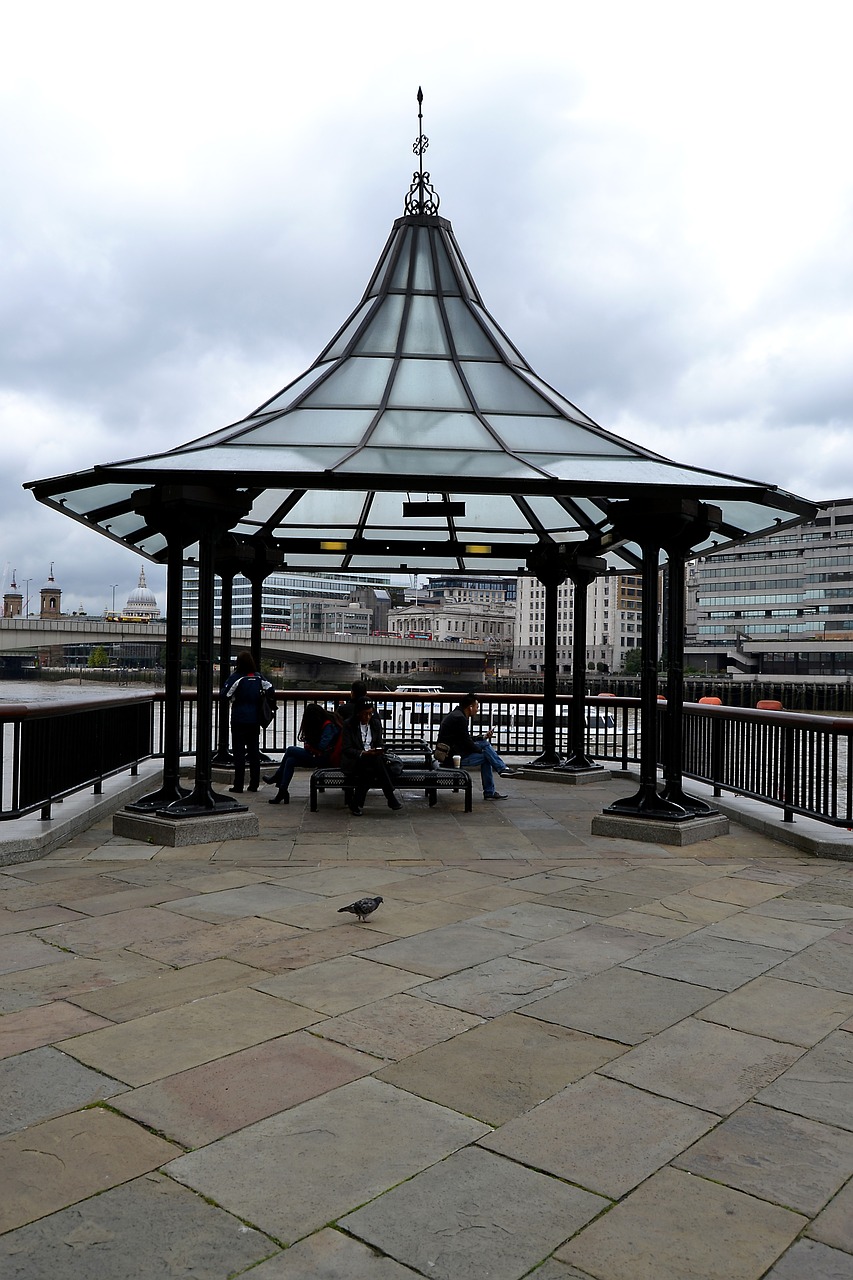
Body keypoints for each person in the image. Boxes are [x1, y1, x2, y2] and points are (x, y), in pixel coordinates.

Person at [437, 693, 522, 800]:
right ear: (470, 707)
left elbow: (464, 738)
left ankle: (493, 786)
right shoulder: (460, 719)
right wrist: (481, 750)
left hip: (454, 753)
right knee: (486, 753)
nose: (478, 710)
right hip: (453, 758)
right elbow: (467, 743)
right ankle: (500, 772)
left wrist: (483, 737)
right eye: (477, 707)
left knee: (486, 751)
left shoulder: (457, 715)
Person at [265, 702, 342, 804]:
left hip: (324, 758)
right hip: (318, 756)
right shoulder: (325, 722)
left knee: (290, 750)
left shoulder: (329, 726)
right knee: (290, 761)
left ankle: (277, 777)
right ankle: (282, 791)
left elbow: (322, 747)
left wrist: (309, 745)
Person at [221, 651, 272, 793]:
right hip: (255, 719)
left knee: (239, 753)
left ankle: (238, 785)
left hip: (239, 718)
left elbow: (225, 694)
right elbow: (271, 689)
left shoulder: (236, 678)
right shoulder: (258, 677)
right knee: (254, 752)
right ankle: (254, 784)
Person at [340, 699, 403, 816]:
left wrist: (378, 750)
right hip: (355, 760)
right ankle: (390, 796)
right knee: (373, 762)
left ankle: (356, 804)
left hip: (372, 760)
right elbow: (346, 749)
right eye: (365, 714)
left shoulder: (375, 724)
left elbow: (379, 743)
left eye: (370, 713)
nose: (368, 717)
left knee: (371, 768)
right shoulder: (349, 725)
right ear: (358, 713)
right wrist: (363, 753)